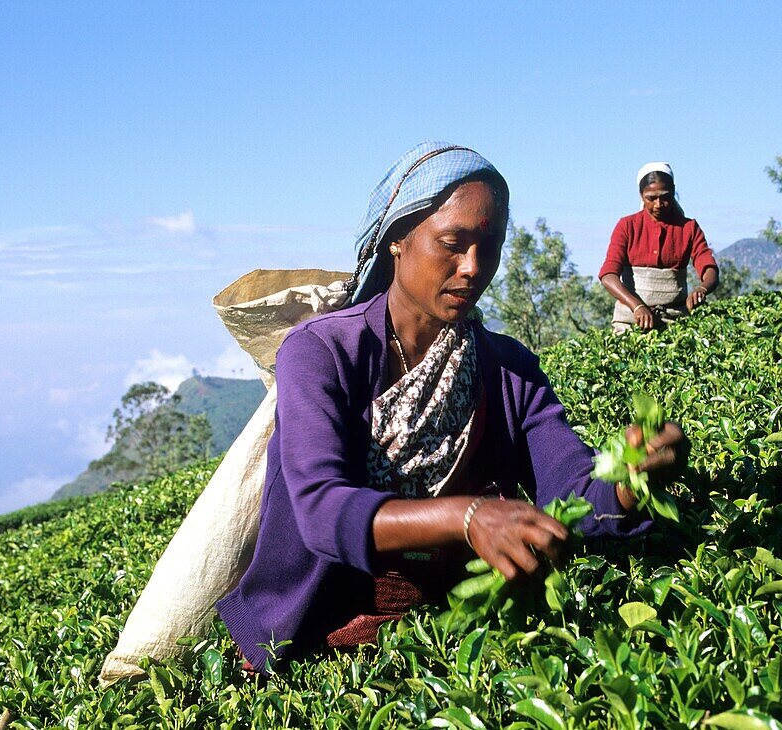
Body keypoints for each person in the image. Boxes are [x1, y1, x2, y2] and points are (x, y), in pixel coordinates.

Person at [216, 142, 688, 672]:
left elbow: (572, 490)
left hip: (453, 635)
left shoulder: (506, 368)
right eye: (452, 243)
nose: (473, 268)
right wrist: (467, 517)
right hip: (314, 636)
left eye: (490, 246)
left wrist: (630, 479)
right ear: (398, 238)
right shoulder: (322, 353)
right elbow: (321, 511)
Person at [599, 162, 719, 332]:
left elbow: (708, 266)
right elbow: (608, 275)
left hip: (675, 320)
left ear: (673, 191)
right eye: (651, 198)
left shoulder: (688, 228)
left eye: (665, 197)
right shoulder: (627, 226)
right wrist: (637, 306)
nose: (658, 204)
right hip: (631, 320)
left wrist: (702, 288)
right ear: (641, 196)